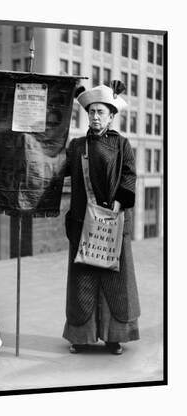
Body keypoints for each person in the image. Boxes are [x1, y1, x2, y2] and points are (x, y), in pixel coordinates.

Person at [63, 81, 140, 355]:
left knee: (113, 281)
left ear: (111, 115)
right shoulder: (77, 146)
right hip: (83, 223)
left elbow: (130, 175)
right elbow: (58, 170)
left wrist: (119, 202)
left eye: (101, 112)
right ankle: (81, 337)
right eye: (92, 111)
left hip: (113, 223)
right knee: (83, 279)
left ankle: (113, 337)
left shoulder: (122, 144)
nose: (95, 116)